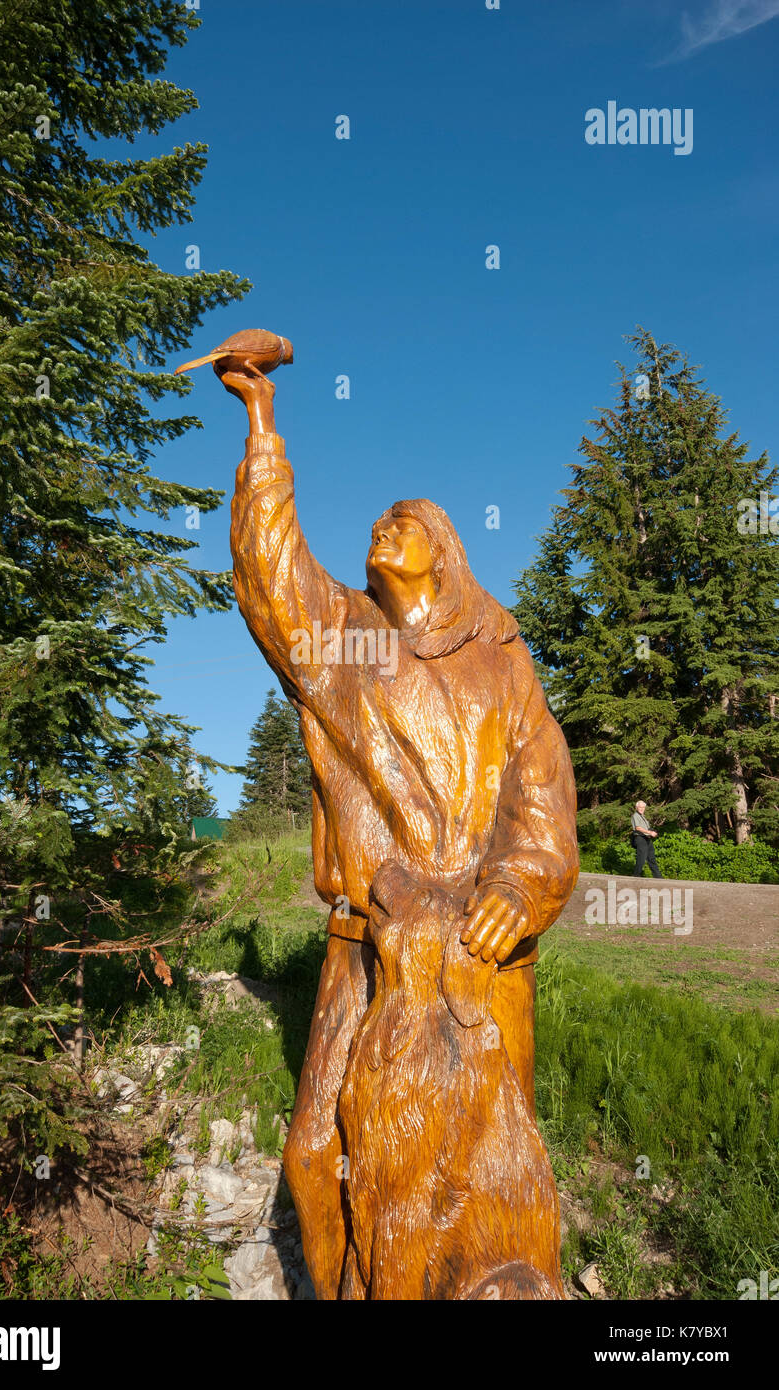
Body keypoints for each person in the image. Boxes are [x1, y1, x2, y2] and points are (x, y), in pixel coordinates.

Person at [218, 361, 578, 1300]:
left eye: (405, 520)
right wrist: (264, 429)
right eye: (380, 519)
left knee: (481, 1180)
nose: (384, 526)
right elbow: (270, 577)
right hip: (361, 947)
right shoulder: (345, 641)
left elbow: (540, 802)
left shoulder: (504, 661)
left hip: (482, 959)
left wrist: (517, 888)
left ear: (446, 552)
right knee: (317, 1161)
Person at [632, 800, 663, 877]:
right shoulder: (635, 816)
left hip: (647, 838)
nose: (642, 809)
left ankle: (659, 878)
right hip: (640, 838)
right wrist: (650, 833)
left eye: (643, 807)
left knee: (651, 858)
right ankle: (636, 876)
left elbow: (647, 828)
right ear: (636, 808)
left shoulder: (643, 817)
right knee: (641, 858)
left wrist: (652, 832)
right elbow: (638, 828)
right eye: (640, 807)